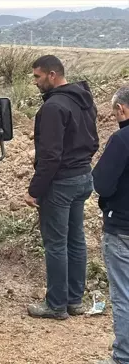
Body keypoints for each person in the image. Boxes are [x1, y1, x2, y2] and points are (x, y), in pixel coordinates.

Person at [24, 55, 99, 319]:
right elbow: (94, 141)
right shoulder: (85, 100)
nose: (34, 82)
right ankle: (74, 301)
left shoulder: (54, 107)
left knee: (56, 244)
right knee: (76, 240)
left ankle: (56, 305)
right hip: (82, 178)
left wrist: (34, 190)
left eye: (37, 76)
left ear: (52, 75)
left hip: (61, 183)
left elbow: (50, 156)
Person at [92, 86, 129, 364]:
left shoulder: (121, 140)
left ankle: (123, 356)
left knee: (123, 296)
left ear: (122, 109)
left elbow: (102, 183)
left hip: (122, 230)